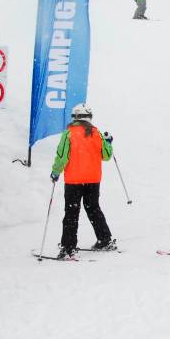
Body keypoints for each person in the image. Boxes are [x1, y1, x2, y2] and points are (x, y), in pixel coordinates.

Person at [50, 104, 115, 260]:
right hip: (93, 180)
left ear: (74, 118)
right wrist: (108, 142)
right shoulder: (96, 133)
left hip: (74, 181)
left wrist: (55, 171)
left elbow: (62, 156)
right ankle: (105, 239)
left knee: (71, 213)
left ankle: (68, 248)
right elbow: (106, 156)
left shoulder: (69, 134)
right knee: (93, 208)